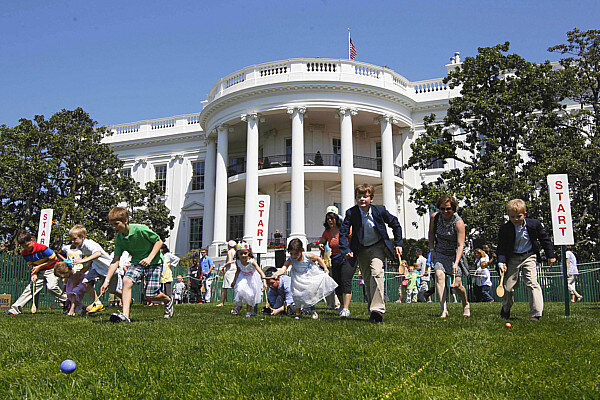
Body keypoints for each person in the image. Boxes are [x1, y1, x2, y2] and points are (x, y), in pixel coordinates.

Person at [339, 183, 403, 323]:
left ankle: (377, 310)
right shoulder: (351, 213)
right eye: (359, 197)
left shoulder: (380, 210)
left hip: (377, 246)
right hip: (360, 249)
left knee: (376, 272)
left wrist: (398, 243)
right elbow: (343, 233)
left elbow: (395, 224)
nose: (362, 199)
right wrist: (346, 249)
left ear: (371, 198)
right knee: (368, 279)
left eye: (365, 196)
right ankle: (372, 310)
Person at [101, 207, 174, 322]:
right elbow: (115, 261)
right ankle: (125, 315)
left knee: (150, 295)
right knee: (126, 281)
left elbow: (159, 241)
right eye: (112, 225)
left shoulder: (140, 229)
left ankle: (168, 300)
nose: (114, 228)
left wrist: (149, 258)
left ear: (125, 220)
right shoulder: (119, 239)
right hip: (137, 262)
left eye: (116, 224)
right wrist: (107, 281)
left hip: (154, 262)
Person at [497, 199, 556, 321]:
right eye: (512, 217)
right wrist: (501, 262)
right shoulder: (505, 229)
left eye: (519, 216)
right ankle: (506, 309)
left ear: (525, 214)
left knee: (532, 283)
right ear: (508, 215)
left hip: (529, 256)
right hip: (513, 257)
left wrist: (551, 255)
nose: (516, 219)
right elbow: (501, 248)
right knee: (508, 288)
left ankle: (536, 313)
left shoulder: (534, 224)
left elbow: (545, 240)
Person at [274, 238, 337, 320]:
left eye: (296, 253)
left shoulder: (307, 255)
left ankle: (313, 310)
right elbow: (283, 268)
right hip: (297, 278)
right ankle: (298, 314)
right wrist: (276, 274)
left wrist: (325, 268)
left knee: (309, 293)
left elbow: (318, 258)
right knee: (297, 295)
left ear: (301, 250)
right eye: (291, 253)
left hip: (307, 276)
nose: (294, 256)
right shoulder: (291, 259)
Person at [429, 194, 470, 318]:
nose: (445, 211)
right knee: (439, 276)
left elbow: (460, 245)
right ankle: (444, 309)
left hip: (454, 255)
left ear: (453, 209)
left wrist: (456, 263)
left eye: (448, 209)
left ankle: (465, 304)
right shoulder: (435, 218)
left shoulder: (458, 223)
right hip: (440, 252)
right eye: (442, 209)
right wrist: (432, 250)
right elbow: (430, 234)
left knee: (457, 285)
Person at [7, 231, 68, 315]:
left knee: (51, 287)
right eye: (24, 246)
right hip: (39, 271)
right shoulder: (25, 253)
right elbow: (32, 265)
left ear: (32, 239)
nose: (26, 248)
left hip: (52, 269)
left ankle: (67, 301)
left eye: (27, 245)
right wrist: (34, 274)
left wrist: (39, 266)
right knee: (30, 289)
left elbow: (54, 259)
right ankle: (15, 309)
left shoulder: (42, 248)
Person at [68, 224, 119, 314]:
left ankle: (128, 299)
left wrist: (83, 261)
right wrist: (86, 267)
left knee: (113, 290)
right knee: (85, 282)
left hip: (108, 268)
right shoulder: (80, 246)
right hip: (96, 268)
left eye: (74, 239)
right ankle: (98, 303)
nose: (72, 241)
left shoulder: (88, 244)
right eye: (71, 239)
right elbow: (92, 258)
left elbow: (98, 254)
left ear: (82, 237)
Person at [318, 206, 356, 318]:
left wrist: (352, 251)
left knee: (346, 281)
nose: (330, 220)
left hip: (347, 257)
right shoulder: (327, 232)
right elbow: (323, 240)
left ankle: (346, 308)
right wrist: (321, 244)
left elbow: (354, 239)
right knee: (337, 284)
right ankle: (342, 305)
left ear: (337, 219)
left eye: (332, 218)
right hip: (335, 258)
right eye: (328, 218)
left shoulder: (345, 229)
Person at [231, 242, 266, 317]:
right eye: (241, 254)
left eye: (245, 253)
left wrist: (264, 280)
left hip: (252, 278)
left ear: (248, 253)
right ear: (238, 254)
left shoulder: (251, 261)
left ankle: (248, 311)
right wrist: (234, 281)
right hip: (243, 276)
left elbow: (260, 270)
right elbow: (238, 271)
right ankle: (239, 305)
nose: (243, 255)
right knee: (239, 289)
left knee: (250, 294)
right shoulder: (238, 262)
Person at [216, 240, 237, 307]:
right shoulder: (236, 252)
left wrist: (223, 266)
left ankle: (222, 302)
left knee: (225, 287)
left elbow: (230, 261)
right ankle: (238, 302)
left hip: (230, 269)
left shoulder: (230, 251)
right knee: (235, 286)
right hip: (235, 268)